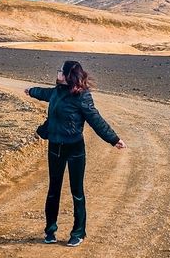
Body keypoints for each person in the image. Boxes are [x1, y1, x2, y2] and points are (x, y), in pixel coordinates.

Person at [25, 60, 126, 247]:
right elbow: (43, 93)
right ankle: (50, 231)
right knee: (53, 191)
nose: (57, 73)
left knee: (77, 192)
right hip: (55, 148)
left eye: (59, 71)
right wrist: (31, 90)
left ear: (66, 75)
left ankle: (78, 233)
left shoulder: (82, 97)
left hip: (74, 149)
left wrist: (113, 139)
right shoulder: (56, 92)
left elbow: (96, 120)